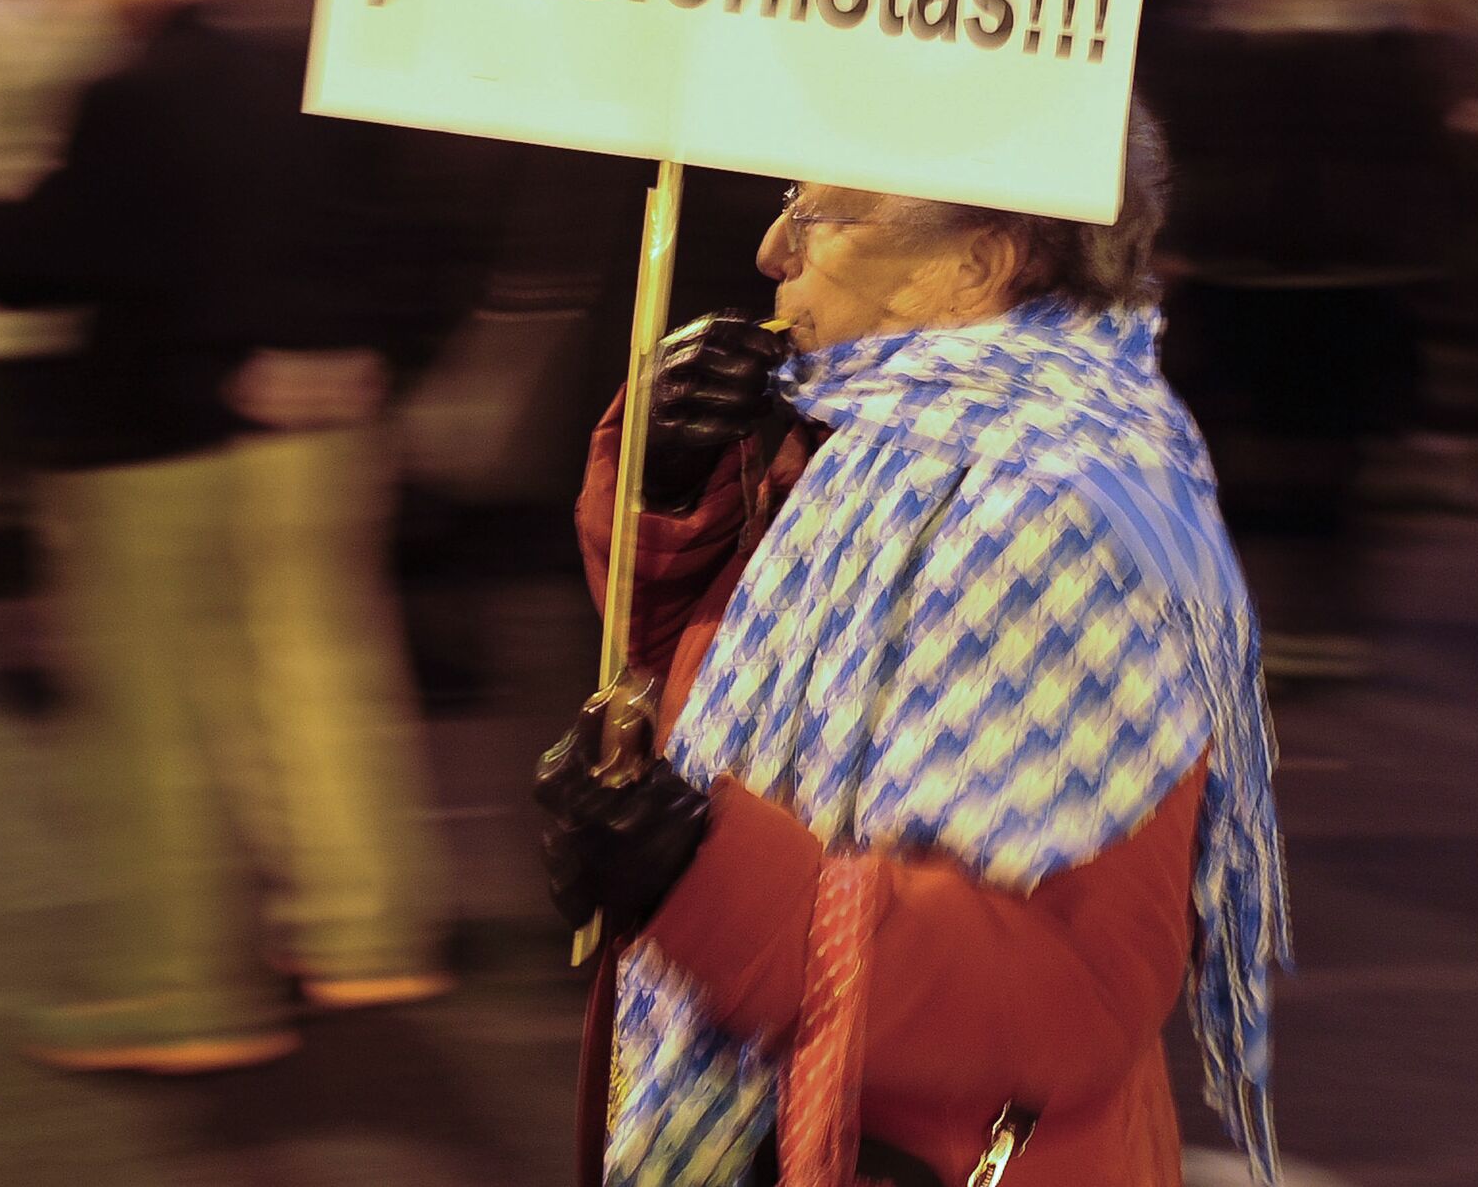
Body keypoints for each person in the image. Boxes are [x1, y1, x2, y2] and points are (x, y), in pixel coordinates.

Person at [535, 104, 1287, 1187]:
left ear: (978, 262)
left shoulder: (1070, 527)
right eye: (788, 201)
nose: (772, 250)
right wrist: (667, 488)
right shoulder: (865, 453)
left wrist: (699, 877)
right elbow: (693, 676)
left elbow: (1076, 993)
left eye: (821, 215)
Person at [0, 0, 450, 1071]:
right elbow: (433, 232)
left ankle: (183, 987)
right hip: (327, 416)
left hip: (158, 432)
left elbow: (50, 252)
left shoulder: (135, 92)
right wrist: (375, 350)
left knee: (156, 713)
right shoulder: (332, 80)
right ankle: (365, 929)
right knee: (323, 668)